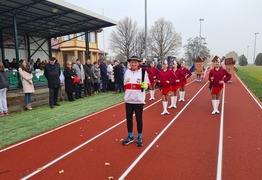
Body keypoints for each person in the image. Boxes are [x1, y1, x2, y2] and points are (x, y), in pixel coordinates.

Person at [122, 56, 149, 147]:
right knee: (129, 119)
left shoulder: (143, 72)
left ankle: (139, 136)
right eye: (132, 62)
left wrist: (145, 85)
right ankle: (130, 136)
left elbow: (147, 84)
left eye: (135, 62)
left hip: (138, 100)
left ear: (138, 63)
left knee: (138, 119)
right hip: (129, 100)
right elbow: (125, 84)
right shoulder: (127, 72)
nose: (133, 64)